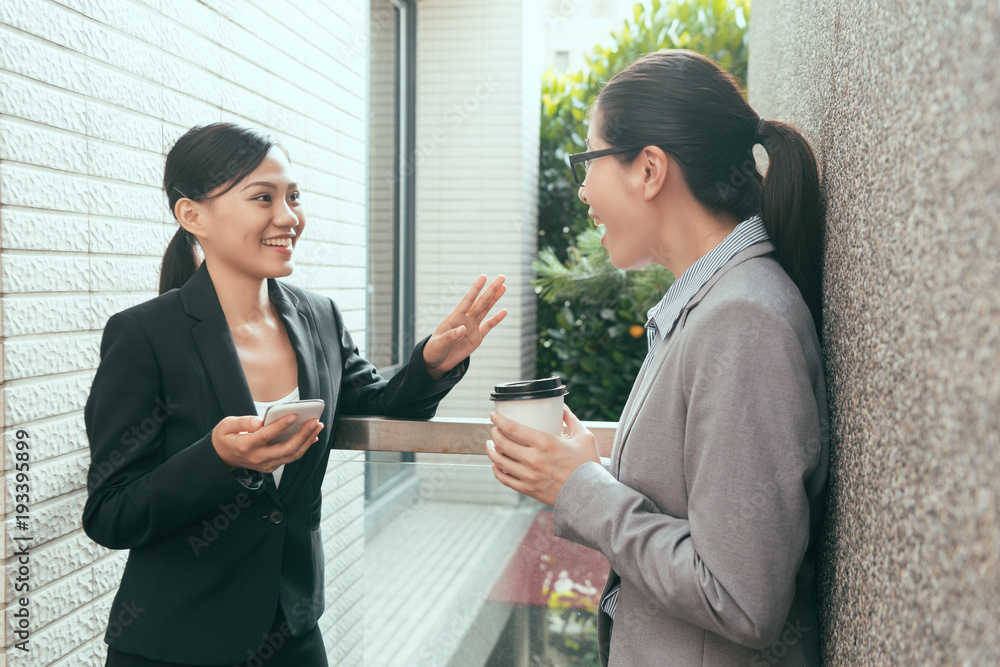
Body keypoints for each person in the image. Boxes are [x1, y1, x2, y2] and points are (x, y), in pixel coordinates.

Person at [82, 122, 507, 667]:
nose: (289, 217)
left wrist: (432, 363)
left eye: (293, 196)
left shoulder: (318, 316)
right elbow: (110, 512)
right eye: (263, 197)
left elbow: (376, 404)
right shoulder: (143, 336)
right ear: (193, 216)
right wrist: (216, 460)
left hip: (293, 632)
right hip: (176, 643)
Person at [487, 50, 829, 666]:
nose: (584, 189)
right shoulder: (714, 302)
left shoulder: (743, 319)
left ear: (649, 170)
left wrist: (581, 488)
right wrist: (585, 468)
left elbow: (742, 599)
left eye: (588, 161)